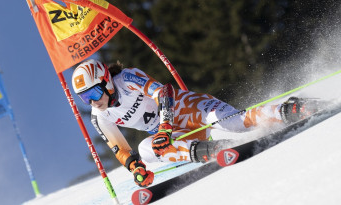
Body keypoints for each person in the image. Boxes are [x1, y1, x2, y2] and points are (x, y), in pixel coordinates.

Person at [71, 59, 320, 187]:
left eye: (93, 93)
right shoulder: (100, 116)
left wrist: (165, 127)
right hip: (174, 133)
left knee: (235, 124)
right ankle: (213, 150)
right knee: (148, 151)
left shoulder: (127, 78)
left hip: (188, 109)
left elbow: (164, 92)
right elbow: (122, 150)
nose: (91, 101)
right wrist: (136, 169)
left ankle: (289, 109)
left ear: (107, 81)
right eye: (84, 98)